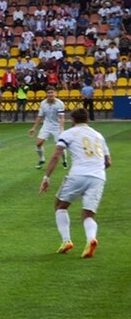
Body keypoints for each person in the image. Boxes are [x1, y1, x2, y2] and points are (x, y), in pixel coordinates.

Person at [40, 108, 110, 258]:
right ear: (87, 120)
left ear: (73, 120)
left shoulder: (68, 133)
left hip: (78, 174)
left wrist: (46, 177)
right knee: (88, 214)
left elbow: (56, 156)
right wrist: (95, 170)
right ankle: (91, 239)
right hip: (99, 176)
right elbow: (108, 161)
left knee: (60, 205)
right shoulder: (99, 135)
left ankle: (66, 241)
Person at [29, 89, 67, 170]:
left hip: (57, 126)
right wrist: (34, 128)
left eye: (52, 92)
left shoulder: (60, 103)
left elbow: (62, 117)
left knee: (60, 145)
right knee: (38, 143)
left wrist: (61, 129)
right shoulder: (43, 103)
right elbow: (40, 116)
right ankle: (42, 159)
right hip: (47, 125)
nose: (50, 94)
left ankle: (64, 160)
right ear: (46, 94)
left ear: (55, 93)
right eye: (48, 93)